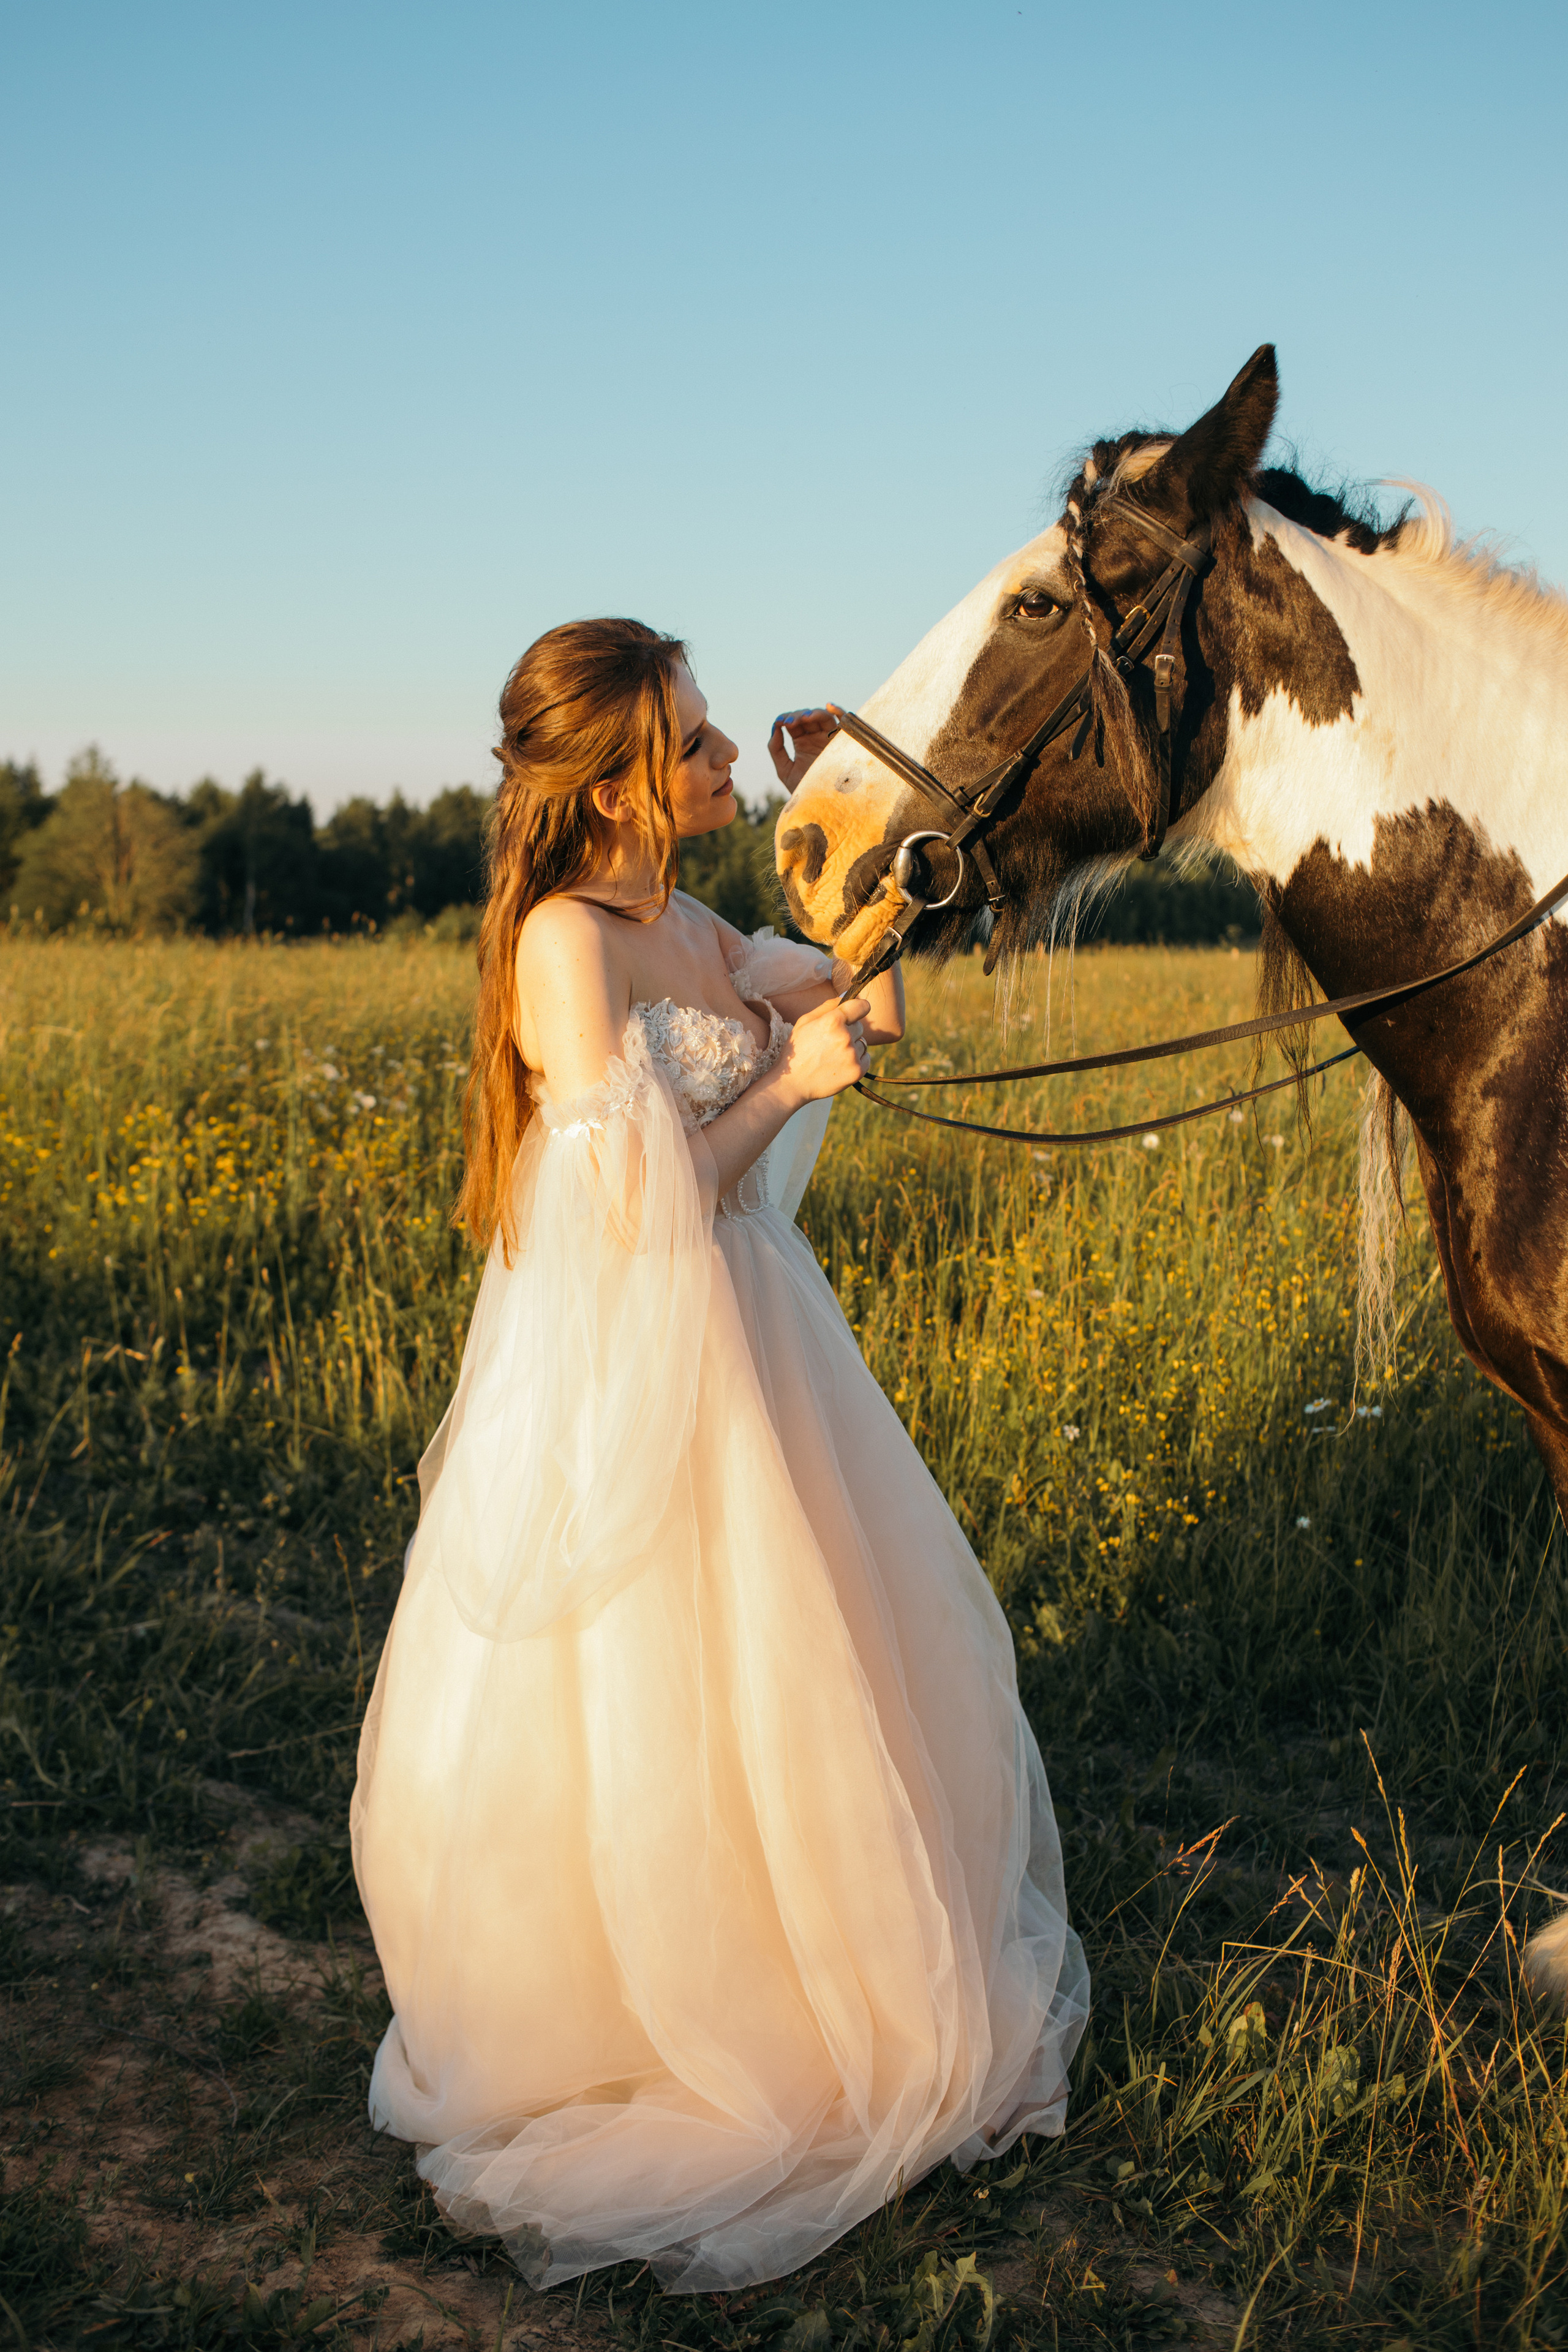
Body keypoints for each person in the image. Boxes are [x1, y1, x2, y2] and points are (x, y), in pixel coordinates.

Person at [350, 618, 1089, 2295]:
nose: (728, 767)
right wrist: (784, 1086)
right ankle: (646, 2007)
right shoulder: (566, 941)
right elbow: (627, 1205)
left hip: (756, 1332)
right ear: (618, 778)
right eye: (697, 745)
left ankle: (813, 1970)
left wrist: (865, 867)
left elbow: (870, 1008)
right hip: (642, 1353)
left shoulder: (699, 924)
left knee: (806, 1660)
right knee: (661, 1670)